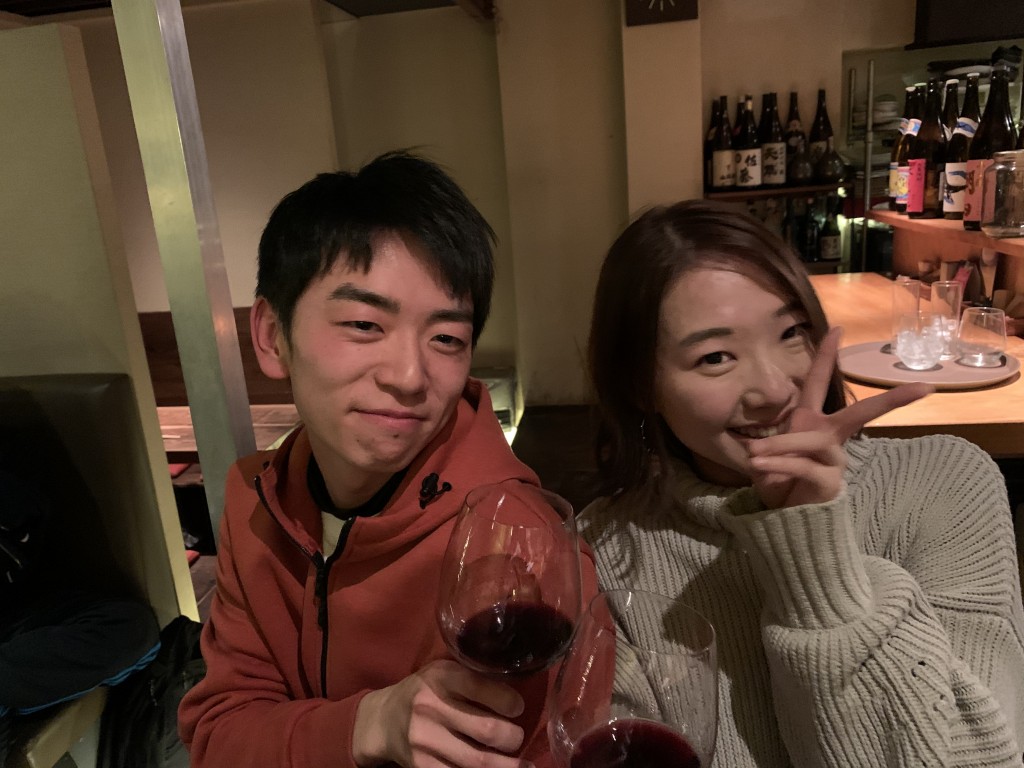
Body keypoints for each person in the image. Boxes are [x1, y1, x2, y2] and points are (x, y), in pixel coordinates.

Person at [178, 151, 599, 768]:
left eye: (446, 338)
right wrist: (365, 725)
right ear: (271, 335)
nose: (409, 376)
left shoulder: (520, 551)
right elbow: (219, 735)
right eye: (364, 324)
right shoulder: (255, 500)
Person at [581, 200, 1024, 767]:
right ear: (641, 386)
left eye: (792, 332)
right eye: (715, 357)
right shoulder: (606, 550)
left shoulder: (946, 482)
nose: (775, 389)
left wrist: (812, 548)